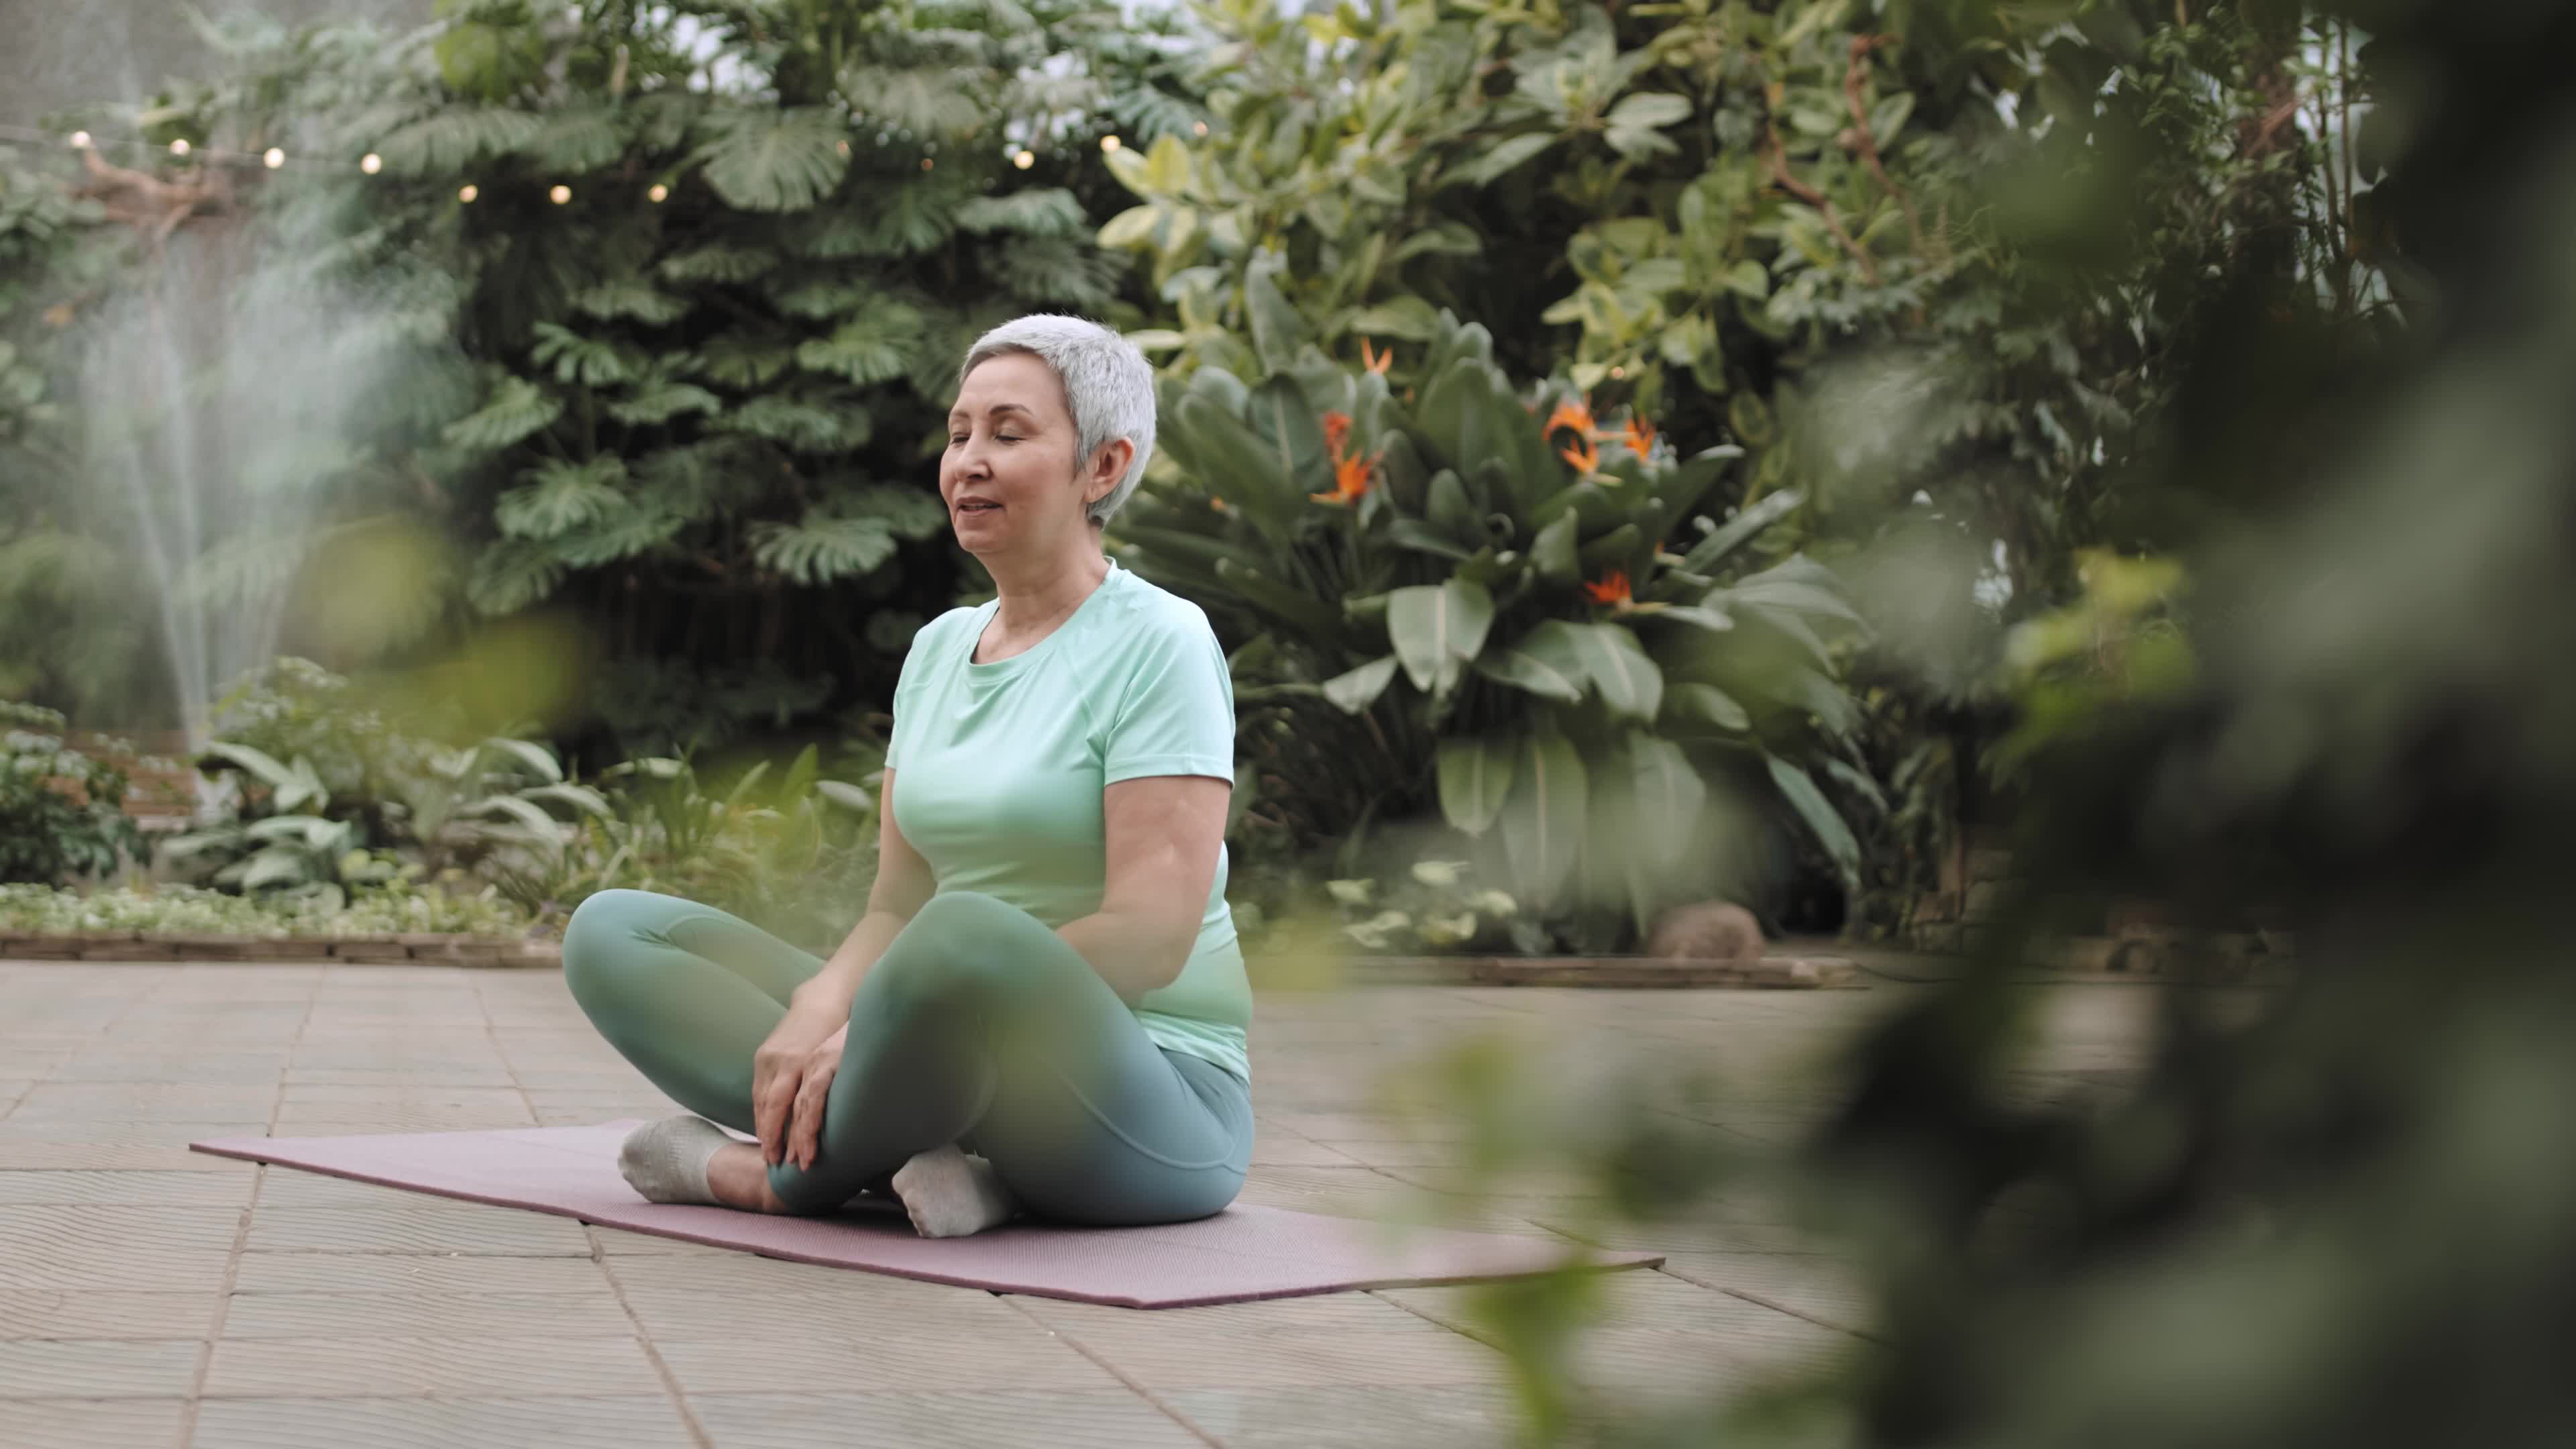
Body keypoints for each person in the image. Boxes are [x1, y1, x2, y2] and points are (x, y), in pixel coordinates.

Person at [560, 315, 1253, 1238]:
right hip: (941, 1057)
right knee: (614, 932)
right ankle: (934, 1160)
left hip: (1147, 1093)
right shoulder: (935, 652)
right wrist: (824, 1009)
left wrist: (874, 1037)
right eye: (960, 432)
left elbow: (1151, 935)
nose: (968, 459)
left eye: (1008, 434)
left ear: (1103, 467)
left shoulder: (1161, 643)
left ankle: (776, 1180)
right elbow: (895, 907)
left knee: (964, 937)